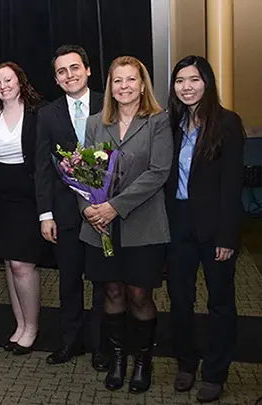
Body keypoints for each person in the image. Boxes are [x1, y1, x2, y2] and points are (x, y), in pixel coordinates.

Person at [81, 56, 172, 393]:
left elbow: (159, 172)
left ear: (142, 83)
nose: (124, 87)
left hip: (143, 224)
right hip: (100, 226)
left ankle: (142, 362)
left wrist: (114, 207)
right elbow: (81, 172)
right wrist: (89, 210)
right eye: (117, 81)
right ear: (110, 86)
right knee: (112, 291)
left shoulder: (158, 122)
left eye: (131, 80)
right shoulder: (94, 123)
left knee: (139, 295)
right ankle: (118, 360)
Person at [165, 55, 245, 403]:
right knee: (179, 299)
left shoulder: (227, 123)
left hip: (214, 227)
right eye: (180, 81)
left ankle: (215, 372)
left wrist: (227, 236)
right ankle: (186, 363)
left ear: (207, 82)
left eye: (194, 79)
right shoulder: (168, 124)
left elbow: (231, 186)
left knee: (220, 302)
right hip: (177, 223)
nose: (187, 87)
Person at [34, 45, 108, 370]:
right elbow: (42, 167)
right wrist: (45, 214)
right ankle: (70, 341)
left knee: (104, 281)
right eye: (62, 71)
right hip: (64, 214)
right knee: (68, 281)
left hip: (105, 210)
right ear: (56, 78)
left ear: (88, 70)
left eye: (75, 68)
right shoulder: (48, 114)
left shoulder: (110, 102)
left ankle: (102, 345)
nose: (70, 75)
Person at [0, 62, 48, 355]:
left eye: (8, 80)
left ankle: (32, 326)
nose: (3, 86)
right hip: (0, 199)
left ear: (20, 81)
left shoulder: (39, 112)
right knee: (9, 262)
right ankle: (20, 325)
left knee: (22, 264)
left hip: (30, 198)